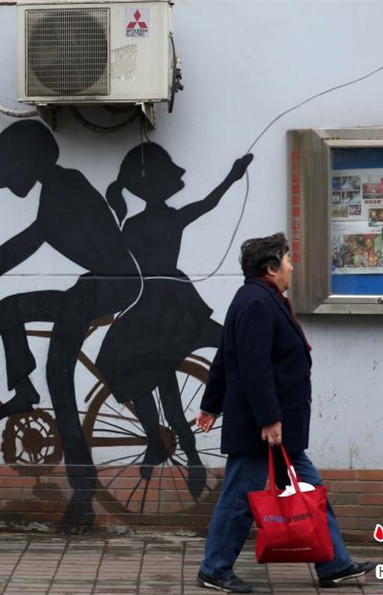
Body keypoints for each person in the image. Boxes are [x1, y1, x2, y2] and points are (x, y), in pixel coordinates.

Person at [0, 120, 140, 527]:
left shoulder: (63, 188)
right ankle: (23, 388)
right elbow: (35, 236)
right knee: (10, 308)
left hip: (109, 287)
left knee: (60, 377)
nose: (0, 182)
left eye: (3, 169)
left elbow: (33, 237)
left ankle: (83, 494)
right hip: (94, 286)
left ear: (26, 160)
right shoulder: (59, 185)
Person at [195, 233, 375, 592]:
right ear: (271, 267)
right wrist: (268, 419)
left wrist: (210, 404)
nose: (292, 266)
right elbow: (251, 365)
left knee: (311, 490)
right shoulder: (257, 304)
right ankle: (214, 569)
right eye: (287, 260)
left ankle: (333, 564)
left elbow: (224, 357)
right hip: (262, 427)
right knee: (240, 498)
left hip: (277, 426)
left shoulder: (260, 298)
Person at [95, 144, 253, 493]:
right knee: (163, 376)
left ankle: (161, 440)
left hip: (150, 303)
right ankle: (187, 454)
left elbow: (118, 270)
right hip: (169, 301)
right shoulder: (168, 218)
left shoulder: (134, 225)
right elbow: (208, 203)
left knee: (134, 369)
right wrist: (232, 176)